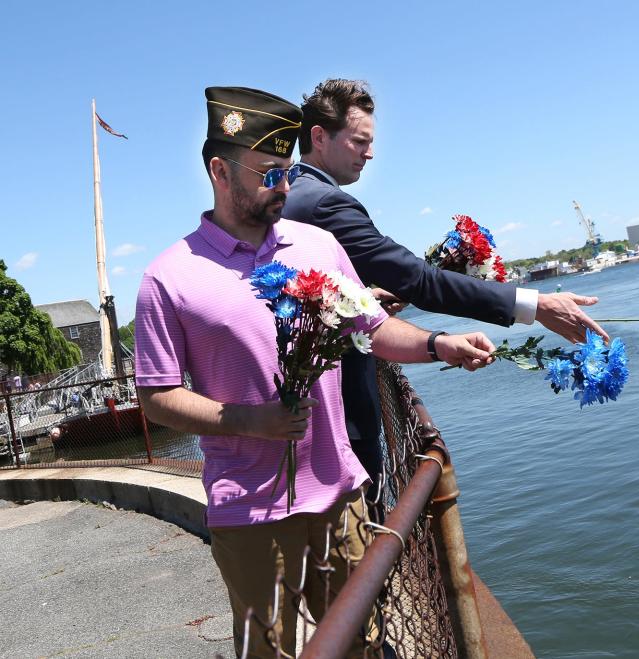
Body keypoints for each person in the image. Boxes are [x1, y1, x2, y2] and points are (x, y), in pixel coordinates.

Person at [134, 86, 495, 658]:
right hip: (249, 508)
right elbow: (156, 396)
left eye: (285, 171)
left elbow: (370, 329)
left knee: (364, 642)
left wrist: (440, 344)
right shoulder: (168, 278)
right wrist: (253, 421)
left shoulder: (318, 244)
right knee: (267, 650)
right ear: (219, 171)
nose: (282, 186)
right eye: (267, 174)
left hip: (340, 494)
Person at [283, 79, 609, 484]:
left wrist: (363, 297)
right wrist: (535, 305)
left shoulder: (293, 194)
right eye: (359, 141)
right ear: (319, 136)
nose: (370, 152)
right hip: (333, 427)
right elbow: (419, 279)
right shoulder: (325, 202)